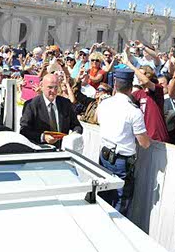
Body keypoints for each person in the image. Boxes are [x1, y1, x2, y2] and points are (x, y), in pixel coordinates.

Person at [96, 69, 151, 214]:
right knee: (120, 203)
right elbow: (144, 143)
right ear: (131, 88)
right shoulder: (134, 111)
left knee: (102, 199)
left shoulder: (104, 104)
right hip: (121, 162)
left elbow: (98, 120)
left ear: (115, 84)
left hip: (104, 156)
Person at [20, 73, 83, 147]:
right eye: (50, 87)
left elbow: (77, 126)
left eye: (56, 87)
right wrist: (43, 137)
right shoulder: (31, 105)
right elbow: (24, 130)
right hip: (40, 149)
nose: (53, 91)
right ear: (41, 86)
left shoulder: (65, 103)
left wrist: (74, 135)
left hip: (62, 149)